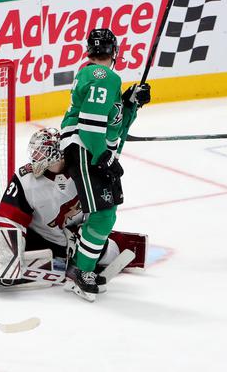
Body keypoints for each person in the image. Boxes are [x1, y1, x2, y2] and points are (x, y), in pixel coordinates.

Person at [0, 127, 147, 296]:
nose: (36, 161)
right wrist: (7, 256)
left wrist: (129, 108)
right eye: (34, 155)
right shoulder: (26, 179)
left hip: (73, 237)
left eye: (42, 156)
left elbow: (114, 137)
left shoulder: (83, 171)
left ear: (57, 154)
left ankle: (74, 258)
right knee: (7, 275)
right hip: (36, 239)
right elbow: (7, 217)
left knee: (112, 252)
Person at [59, 28, 151, 301]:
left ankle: (83, 264)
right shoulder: (105, 76)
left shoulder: (97, 77)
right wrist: (102, 156)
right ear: (114, 51)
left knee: (105, 212)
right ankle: (80, 270)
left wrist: (130, 101)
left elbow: (112, 124)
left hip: (90, 148)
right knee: (102, 213)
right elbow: (89, 125)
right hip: (86, 148)